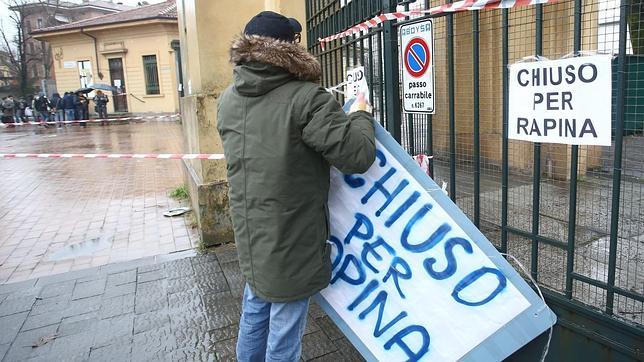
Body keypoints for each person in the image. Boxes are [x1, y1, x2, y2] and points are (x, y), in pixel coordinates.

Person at [217, 11, 375, 362]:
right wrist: (361, 114)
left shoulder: (228, 99)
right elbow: (357, 155)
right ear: (290, 50)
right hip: (293, 234)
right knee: (285, 326)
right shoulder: (307, 98)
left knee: (256, 303)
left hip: (251, 230)